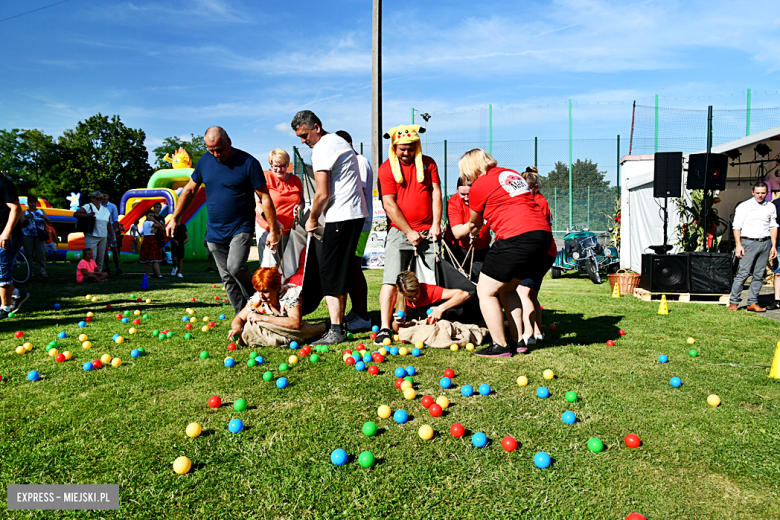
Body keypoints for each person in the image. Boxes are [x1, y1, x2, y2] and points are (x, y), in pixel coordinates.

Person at [167, 126, 279, 314]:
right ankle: (242, 318)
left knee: (235, 267)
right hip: (214, 231)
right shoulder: (205, 162)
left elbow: (264, 197)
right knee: (227, 277)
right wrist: (174, 218)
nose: (217, 154)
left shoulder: (248, 162)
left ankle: (258, 301)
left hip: (240, 227)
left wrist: (273, 230)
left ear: (229, 142)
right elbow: (189, 190)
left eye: (220, 149)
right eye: (212, 150)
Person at [460, 148, 554, 357]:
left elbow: (475, 221)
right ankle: (517, 340)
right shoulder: (509, 173)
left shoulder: (480, 185)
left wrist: (472, 229)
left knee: (485, 291)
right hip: (541, 237)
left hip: (515, 237)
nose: (467, 178)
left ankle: (500, 345)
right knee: (508, 289)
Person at [291, 110, 367, 345]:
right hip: (353, 215)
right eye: (299, 138)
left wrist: (311, 220)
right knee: (340, 270)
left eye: (305, 135)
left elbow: (322, 194)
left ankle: (336, 329)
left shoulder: (323, 147)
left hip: (341, 216)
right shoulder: (339, 141)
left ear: (316, 126)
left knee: (331, 272)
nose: (304, 141)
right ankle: (340, 325)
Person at [374, 124, 442, 345]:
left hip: (428, 232)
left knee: (432, 279)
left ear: (416, 146)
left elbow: (436, 194)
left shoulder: (429, 163)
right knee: (391, 281)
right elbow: (389, 204)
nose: (406, 152)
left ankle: (432, 320)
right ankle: (385, 327)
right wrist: (409, 231)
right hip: (399, 233)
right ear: (394, 148)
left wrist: (436, 224)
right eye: (402, 149)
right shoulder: (386, 169)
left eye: (410, 148)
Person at [335, 130, 374, 333]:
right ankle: (357, 311)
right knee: (349, 269)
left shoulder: (358, 161)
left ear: (349, 143)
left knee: (353, 268)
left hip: (359, 223)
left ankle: (363, 316)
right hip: (352, 223)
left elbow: (357, 191)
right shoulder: (351, 161)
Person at [728, 181, 778, 312]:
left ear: (767, 193)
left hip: (765, 242)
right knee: (743, 273)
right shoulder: (744, 206)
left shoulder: (770, 207)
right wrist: (738, 244)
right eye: (757, 193)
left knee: (759, 274)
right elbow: (736, 226)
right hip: (748, 242)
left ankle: (752, 302)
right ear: (752, 192)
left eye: (762, 193)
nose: (760, 196)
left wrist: (773, 245)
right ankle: (734, 302)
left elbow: (773, 226)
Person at [521, 166, 556, 342]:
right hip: (544, 252)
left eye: (526, 188)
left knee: (522, 291)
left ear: (534, 187)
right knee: (532, 295)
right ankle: (538, 332)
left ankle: (527, 334)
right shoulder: (537, 200)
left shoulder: (538, 202)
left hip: (540, 253)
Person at [255, 148, 303, 269]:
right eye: (275, 166)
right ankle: (266, 288)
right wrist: (273, 223)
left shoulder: (296, 180)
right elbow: (257, 205)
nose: (278, 169)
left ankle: (283, 288)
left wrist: (299, 207)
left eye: (282, 166)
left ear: (287, 165)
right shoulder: (265, 177)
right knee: (270, 265)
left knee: (286, 266)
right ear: (271, 164)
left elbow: (302, 201)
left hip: (288, 229)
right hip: (268, 228)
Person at [392, 270, 470, 332]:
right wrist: (396, 322)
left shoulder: (429, 291)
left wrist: (440, 308)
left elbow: (464, 294)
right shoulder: (402, 299)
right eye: (409, 296)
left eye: (416, 293)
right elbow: (397, 330)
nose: (414, 298)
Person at [443, 176, 490, 269]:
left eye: (469, 194)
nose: (466, 198)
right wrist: (476, 222)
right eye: (462, 194)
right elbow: (458, 234)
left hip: (481, 248)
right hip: (457, 248)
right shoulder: (454, 203)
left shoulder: (486, 201)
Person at [0, 170, 29, 319]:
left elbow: (16, 208)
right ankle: (17, 294)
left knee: (2, 272)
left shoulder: (4, 183)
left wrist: (6, 232)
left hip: (7, 236)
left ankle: (4, 308)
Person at [74, 191, 115, 273]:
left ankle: (98, 272)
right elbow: (76, 214)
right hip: (91, 235)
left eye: (101, 198)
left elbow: (108, 224)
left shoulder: (105, 210)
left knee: (101, 257)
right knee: (92, 256)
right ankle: (89, 272)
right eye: (97, 198)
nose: (99, 200)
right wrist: (88, 215)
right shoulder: (88, 206)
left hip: (103, 235)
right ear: (92, 198)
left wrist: (112, 235)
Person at [20, 195, 53, 278]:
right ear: (28, 203)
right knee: (29, 253)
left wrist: (45, 217)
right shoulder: (24, 212)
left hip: (39, 235)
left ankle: (42, 271)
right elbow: (21, 223)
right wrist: (27, 218)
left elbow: (49, 222)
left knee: (41, 253)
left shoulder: (41, 211)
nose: (33, 204)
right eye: (31, 202)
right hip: (28, 235)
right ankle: (30, 271)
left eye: (34, 202)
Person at [101, 190, 123, 275]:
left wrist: (113, 232)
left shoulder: (112, 206)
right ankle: (107, 267)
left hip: (110, 230)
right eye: (102, 196)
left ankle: (118, 268)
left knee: (114, 249)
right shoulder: (98, 206)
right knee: (104, 250)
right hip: (101, 230)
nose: (103, 197)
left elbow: (115, 220)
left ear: (108, 197)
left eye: (105, 196)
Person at [140, 209, 164, 278]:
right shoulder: (149, 222)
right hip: (151, 240)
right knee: (155, 260)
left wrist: (156, 229)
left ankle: (147, 275)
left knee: (147, 260)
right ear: (146, 216)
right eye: (150, 215)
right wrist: (155, 220)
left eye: (153, 216)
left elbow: (160, 228)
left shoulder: (145, 223)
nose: (151, 217)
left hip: (147, 240)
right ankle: (159, 274)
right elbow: (161, 227)